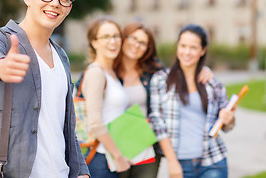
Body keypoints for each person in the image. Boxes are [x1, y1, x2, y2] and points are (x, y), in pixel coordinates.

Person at [0, 0, 90, 178]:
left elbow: (65, 126)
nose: (55, 3)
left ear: (69, 6)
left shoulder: (62, 57)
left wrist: (81, 171)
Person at [114, 22, 213, 178]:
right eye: (133, 38)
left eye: (143, 43)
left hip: (144, 144)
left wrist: (204, 70)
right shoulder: (108, 70)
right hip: (112, 144)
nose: (136, 45)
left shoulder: (153, 71)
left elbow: (178, 71)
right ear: (124, 38)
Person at [149, 24, 235, 178]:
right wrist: (172, 161)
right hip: (180, 163)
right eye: (183, 46)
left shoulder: (212, 83)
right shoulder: (161, 80)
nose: (187, 52)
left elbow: (226, 126)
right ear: (177, 47)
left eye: (193, 47)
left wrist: (229, 120)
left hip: (213, 161)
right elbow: (157, 124)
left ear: (202, 51)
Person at [81, 18, 131, 178]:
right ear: (94, 42)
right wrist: (118, 155)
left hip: (111, 157)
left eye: (116, 36)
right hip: (101, 158)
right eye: (106, 37)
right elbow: (95, 123)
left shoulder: (112, 72)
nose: (113, 42)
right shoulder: (96, 72)